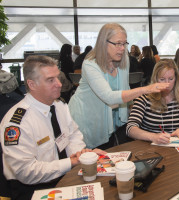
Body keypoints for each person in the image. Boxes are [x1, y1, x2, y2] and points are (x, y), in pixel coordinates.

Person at [0, 55, 106, 200]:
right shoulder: (17, 123)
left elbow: (73, 134)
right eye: (51, 80)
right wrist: (71, 162)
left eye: (57, 77)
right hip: (33, 188)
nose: (59, 84)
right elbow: (26, 172)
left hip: (65, 175)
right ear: (31, 84)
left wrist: (79, 154)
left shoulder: (59, 105)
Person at [68, 23, 169, 149]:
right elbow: (109, 97)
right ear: (104, 43)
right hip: (86, 118)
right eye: (118, 44)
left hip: (110, 118)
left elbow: (125, 89)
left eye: (124, 44)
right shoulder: (90, 65)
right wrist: (146, 89)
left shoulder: (123, 60)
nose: (122, 48)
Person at [126, 59, 179, 144]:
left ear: (176, 78)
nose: (167, 84)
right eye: (162, 79)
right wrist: (153, 137)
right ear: (155, 79)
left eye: (171, 79)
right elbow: (130, 129)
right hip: (148, 147)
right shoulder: (144, 98)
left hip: (175, 148)